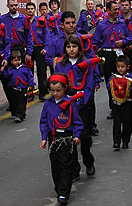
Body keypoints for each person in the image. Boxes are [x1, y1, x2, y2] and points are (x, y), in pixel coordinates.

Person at [53, 35, 100, 177]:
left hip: (83, 105)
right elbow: (57, 84)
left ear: (79, 47)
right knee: (69, 138)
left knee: (84, 137)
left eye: (74, 46)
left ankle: (88, 160)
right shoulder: (60, 64)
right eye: (68, 47)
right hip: (67, 107)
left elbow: (89, 86)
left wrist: (81, 101)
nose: (71, 49)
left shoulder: (86, 63)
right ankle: (74, 169)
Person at [39, 75, 83, 206]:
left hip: (67, 138)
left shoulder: (70, 104)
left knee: (66, 166)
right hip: (53, 138)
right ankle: (58, 188)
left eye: (58, 90)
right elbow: (44, 122)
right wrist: (43, 138)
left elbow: (77, 122)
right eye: (52, 90)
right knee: (55, 166)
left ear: (65, 88)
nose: (55, 93)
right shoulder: (48, 103)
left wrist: (77, 135)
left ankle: (64, 192)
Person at [92, 1, 132, 118]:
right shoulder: (101, 25)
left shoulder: (123, 23)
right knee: (110, 81)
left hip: (120, 54)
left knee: (123, 79)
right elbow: (95, 41)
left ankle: (124, 103)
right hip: (107, 56)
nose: (117, 11)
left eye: (118, 9)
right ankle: (114, 107)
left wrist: (124, 42)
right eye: (115, 9)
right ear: (108, 11)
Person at [0, 49, 35, 122]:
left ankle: (19, 116)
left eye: (18, 60)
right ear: (11, 61)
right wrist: (2, 72)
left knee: (22, 103)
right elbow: (6, 78)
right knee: (15, 102)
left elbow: (30, 76)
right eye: (15, 60)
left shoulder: (25, 69)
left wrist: (31, 84)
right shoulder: (10, 70)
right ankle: (18, 113)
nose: (17, 62)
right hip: (14, 89)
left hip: (23, 89)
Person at [108, 55, 132, 151]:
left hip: (127, 103)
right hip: (116, 104)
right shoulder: (113, 77)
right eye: (118, 67)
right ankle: (116, 142)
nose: (120, 69)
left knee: (127, 123)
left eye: (122, 67)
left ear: (127, 67)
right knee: (117, 123)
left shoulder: (131, 78)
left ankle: (126, 141)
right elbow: (108, 88)